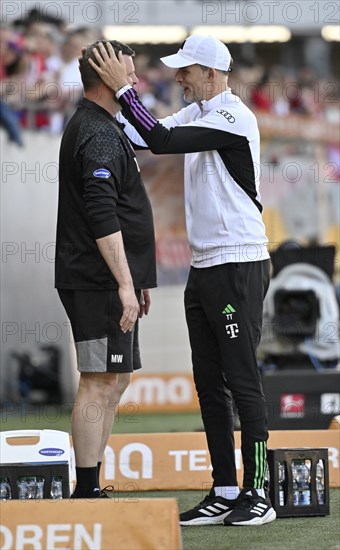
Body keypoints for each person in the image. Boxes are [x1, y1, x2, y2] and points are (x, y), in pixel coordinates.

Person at [90, 34, 276, 525]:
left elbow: (160, 140)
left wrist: (124, 90)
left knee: (241, 379)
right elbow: (138, 136)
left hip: (238, 263)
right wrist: (108, 98)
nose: (178, 78)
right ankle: (224, 488)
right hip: (206, 265)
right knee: (209, 383)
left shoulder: (234, 115)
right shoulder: (196, 113)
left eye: (186, 71)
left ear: (211, 74)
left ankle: (259, 493)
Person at [55, 40, 157, 499]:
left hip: (111, 282)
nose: (134, 81)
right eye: (129, 74)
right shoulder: (95, 130)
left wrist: (135, 280)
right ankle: (86, 490)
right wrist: (123, 283)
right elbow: (101, 214)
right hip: (96, 282)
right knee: (97, 382)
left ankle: (92, 482)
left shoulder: (105, 125)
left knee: (116, 381)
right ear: (106, 77)